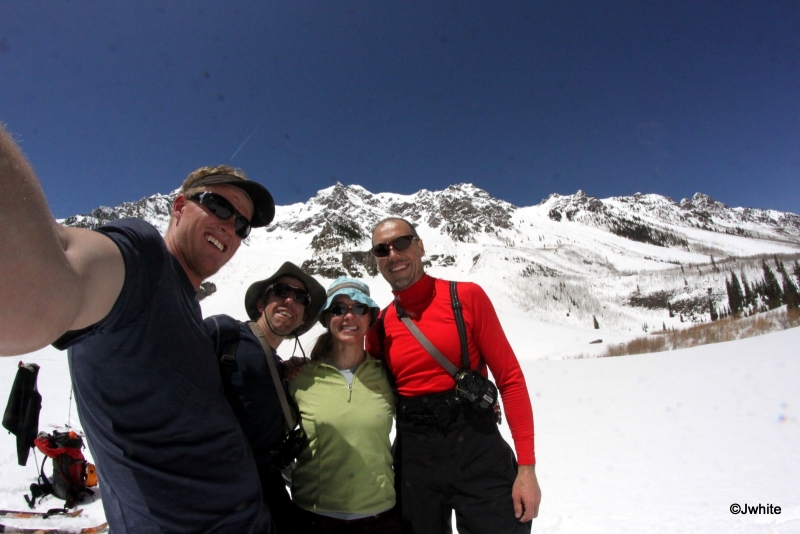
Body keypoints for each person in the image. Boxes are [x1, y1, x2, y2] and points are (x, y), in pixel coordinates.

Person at [0, 124, 276, 533]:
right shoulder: (143, 259)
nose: (230, 227)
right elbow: (38, 292)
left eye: (242, 225)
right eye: (218, 207)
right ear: (179, 207)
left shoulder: (186, 309)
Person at [365, 217, 542, 534]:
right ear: (376, 261)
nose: (393, 254)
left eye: (402, 242)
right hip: (414, 463)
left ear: (420, 246)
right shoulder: (379, 329)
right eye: (382, 249)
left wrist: (526, 469)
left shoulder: (466, 299)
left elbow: (510, 379)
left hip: (478, 451)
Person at [204, 262, 326, 533]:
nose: (289, 300)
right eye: (281, 291)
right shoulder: (225, 333)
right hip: (215, 492)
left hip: (264, 490)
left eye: (300, 298)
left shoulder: (281, 369)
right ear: (261, 304)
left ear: (303, 318)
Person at [288, 277, 402, 533]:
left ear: (369, 318)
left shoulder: (386, 374)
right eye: (339, 309)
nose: (349, 316)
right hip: (314, 517)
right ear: (328, 318)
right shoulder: (300, 378)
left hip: (380, 518)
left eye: (359, 307)